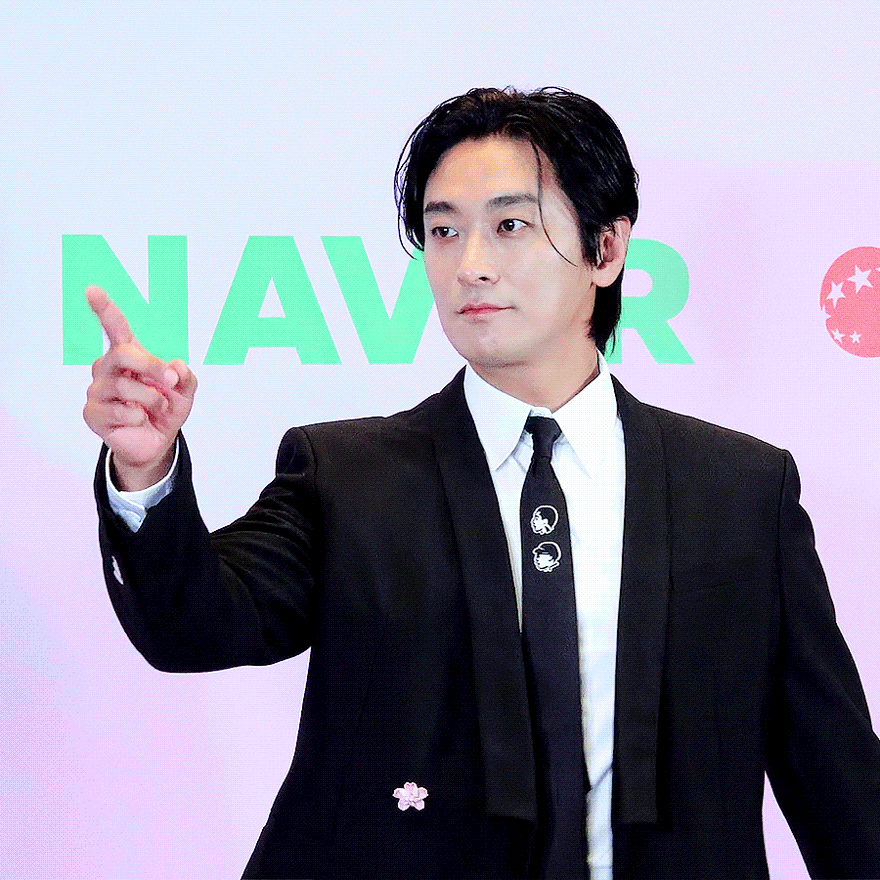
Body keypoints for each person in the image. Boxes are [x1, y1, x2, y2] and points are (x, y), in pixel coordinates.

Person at [84, 88, 880, 880]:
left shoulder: (741, 493)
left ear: (606, 249)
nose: (470, 265)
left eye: (509, 226)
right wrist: (146, 471)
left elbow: (838, 783)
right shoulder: (347, 479)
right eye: (443, 231)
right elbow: (194, 624)